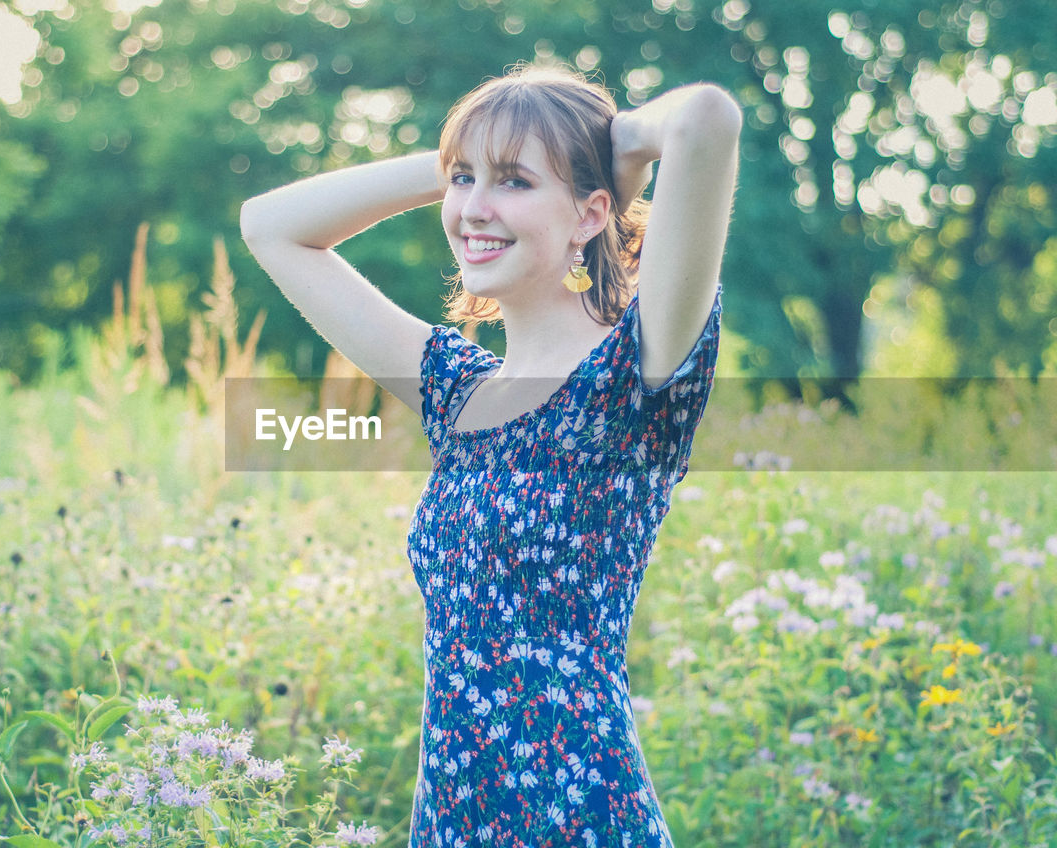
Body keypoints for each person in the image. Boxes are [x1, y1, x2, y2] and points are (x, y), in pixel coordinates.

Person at [241, 62, 740, 848]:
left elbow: (707, 116)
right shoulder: (456, 393)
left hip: (579, 817)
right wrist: (462, 155)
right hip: (452, 818)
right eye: (463, 182)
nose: (473, 209)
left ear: (590, 214)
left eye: (512, 183)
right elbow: (270, 225)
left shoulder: (634, 378)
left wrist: (620, 145)